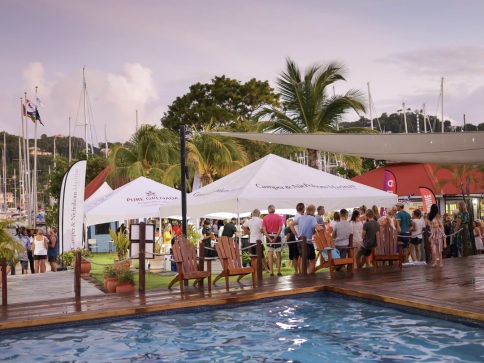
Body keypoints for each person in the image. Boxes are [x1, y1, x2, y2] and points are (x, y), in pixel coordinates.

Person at [290, 204, 324, 274]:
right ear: (313, 211)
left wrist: (296, 234)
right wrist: (321, 228)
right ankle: (310, 275)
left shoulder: (301, 217)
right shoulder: (312, 218)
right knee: (312, 260)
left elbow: (291, 224)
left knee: (302, 258)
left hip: (299, 241)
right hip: (307, 242)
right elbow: (318, 228)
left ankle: (303, 275)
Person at [242, 209, 270, 273]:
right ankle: (261, 270)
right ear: (259, 214)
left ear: (252, 214)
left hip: (252, 241)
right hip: (259, 240)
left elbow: (242, 226)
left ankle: (258, 270)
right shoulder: (260, 221)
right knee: (261, 256)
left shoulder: (249, 221)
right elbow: (262, 230)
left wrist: (249, 232)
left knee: (254, 256)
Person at [262, 205, 284, 276]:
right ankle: (278, 271)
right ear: (274, 209)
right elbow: (280, 229)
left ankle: (271, 271)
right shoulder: (279, 217)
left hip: (269, 236)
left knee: (270, 254)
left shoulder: (265, 218)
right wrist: (275, 238)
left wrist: (269, 238)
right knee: (278, 254)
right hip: (277, 236)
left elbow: (264, 230)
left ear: (268, 210)